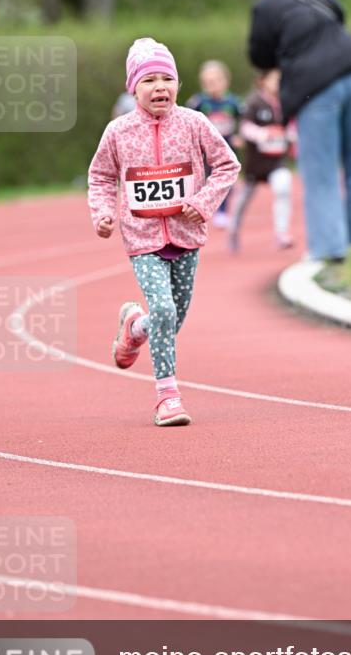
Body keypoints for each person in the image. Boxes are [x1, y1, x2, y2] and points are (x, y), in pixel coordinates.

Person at [88, 38, 240, 427]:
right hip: (142, 238)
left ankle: (133, 329)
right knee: (164, 309)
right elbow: (102, 176)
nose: (160, 87)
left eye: (167, 79)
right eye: (149, 80)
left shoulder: (194, 123)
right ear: (133, 88)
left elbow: (227, 165)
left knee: (170, 320)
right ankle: (167, 398)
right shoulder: (118, 132)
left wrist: (203, 203)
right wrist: (104, 213)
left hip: (186, 235)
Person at [247, 0, 351, 261]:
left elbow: (259, 56)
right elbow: (339, 15)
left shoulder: (266, 6)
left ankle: (329, 248)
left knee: (320, 170)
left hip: (316, 87)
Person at [228, 69, 295, 252]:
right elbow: (244, 126)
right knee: (244, 199)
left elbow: (291, 125)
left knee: (283, 187)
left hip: (277, 161)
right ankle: (233, 229)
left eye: (281, 80)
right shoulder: (254, 102)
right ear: (263, 80)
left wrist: (291, 137)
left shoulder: (285, 102)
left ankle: (281, 233)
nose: (277, 84)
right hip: (256, 163)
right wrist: (263, 134)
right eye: (274, 80)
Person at [186, 60, 243, 227]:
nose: (212, 86)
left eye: (215, 81)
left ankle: (223, 210)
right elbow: (187, 121)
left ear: (225, 81)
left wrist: (239, 135)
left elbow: (244, 120)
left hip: (227, 148)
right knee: (205, 179)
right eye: (207, 82)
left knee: (226, 178)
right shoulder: (198, 103)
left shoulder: (234, 103)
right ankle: (201, 207)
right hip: (204, 151)